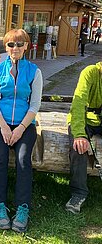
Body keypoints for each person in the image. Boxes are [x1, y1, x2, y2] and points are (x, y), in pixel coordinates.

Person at [0, 29, 43, 233]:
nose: (15, 48)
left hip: (24, 124)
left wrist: (19, 129)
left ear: (26, 46)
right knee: (0, 159)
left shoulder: (34, 71)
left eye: (19, 44)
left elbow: (35, 104)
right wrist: (3, 126)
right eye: (11, 44)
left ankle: (22, 208)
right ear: (6, 47)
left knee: (22, 160)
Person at [65, 62, 102, 214]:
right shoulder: (91, 72)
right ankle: (78, 194)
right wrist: (80, 134)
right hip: (85, 119)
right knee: (78, 148)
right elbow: (78, 103)